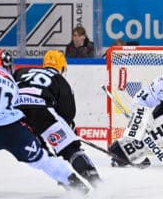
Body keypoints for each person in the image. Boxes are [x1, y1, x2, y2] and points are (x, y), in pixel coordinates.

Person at [0, 49, 89, 196]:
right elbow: (6, 107)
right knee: (42, 160)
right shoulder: (11, 83)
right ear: (8, 65)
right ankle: (74, 183)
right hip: (12, 132)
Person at [12, 50, 101, 187]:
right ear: (63, 67)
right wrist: (69, 132)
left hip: (16, 116)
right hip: (42, 112)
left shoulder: (21, 71)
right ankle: (96, 182)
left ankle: (70, 182)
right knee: (70, 149)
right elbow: (67, 115)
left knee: (43, 155)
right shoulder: (60, 80)